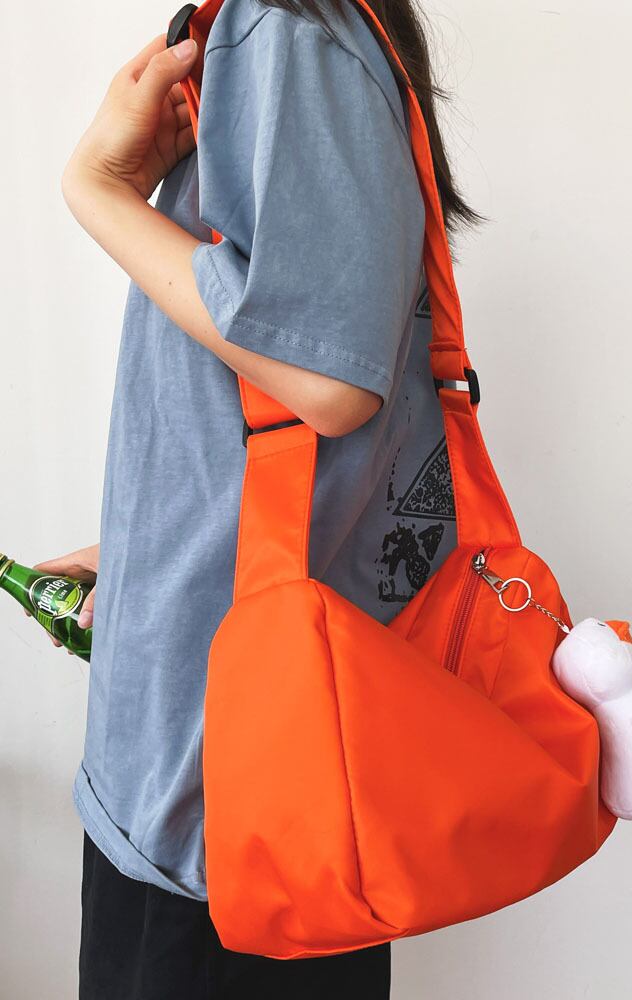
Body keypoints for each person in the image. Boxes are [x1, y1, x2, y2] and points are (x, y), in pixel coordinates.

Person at [38, 0, 479, 996]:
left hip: (216, 795)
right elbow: (258, 393)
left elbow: (322, 378)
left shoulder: (282, 28)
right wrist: (143, 548)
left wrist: (99, 189)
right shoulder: (274, 27)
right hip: (227, 762)